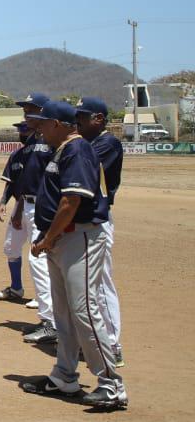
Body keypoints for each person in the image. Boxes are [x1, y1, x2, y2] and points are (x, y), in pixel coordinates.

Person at [19, 100, 126, 409]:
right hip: (61, 238)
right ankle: (65, 376)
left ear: (59, 124)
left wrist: (48, 238)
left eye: (43, 122)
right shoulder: (62, 149)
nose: (39, 128)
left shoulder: (77, 149)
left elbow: (71, 202)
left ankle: (111, 385)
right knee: (64, 314)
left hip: (79, 237)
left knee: (85, 311)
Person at [76, 97, 124, 366]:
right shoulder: (86, 142)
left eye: (83, 117)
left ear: (99, 119)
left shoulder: (108, 143)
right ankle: (94, 342)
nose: (78, 122)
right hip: (83, 217)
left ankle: (113, 344)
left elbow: (84, 166)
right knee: (87, 285)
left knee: (101, 284)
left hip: (99, 217)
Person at [13, 93, 57, 346]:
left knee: (39, 260)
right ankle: (50, 318)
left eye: (31, 109)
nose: (26, 114)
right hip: (29, 204)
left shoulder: (51, 140)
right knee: (40, 261)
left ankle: (51, 322)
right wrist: (19, 206)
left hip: (43, 206)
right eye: (25, 109)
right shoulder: (34, 139)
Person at [0, 121, 37, 303]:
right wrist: (3, 201)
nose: (21, 132)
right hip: (20, 204)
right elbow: (11, 182)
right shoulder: (16, 155)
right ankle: (16, 288)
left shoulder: (41, 154)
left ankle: (44, 297)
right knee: (11, 247)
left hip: (38, 206)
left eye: (25, 128)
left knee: (38, 252)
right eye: (20, 129)